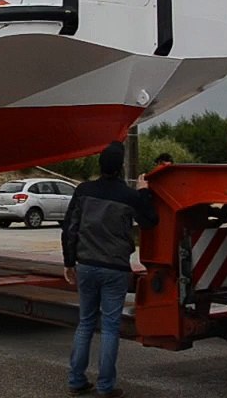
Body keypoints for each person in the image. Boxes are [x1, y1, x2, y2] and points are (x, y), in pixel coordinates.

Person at [61, 141, 158, 397]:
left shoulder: (84, 191)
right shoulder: (129, 196)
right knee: (110, 327)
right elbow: (150, 221)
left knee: (85, 323)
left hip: (86, 265)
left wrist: (69, 262)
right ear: (120, 168)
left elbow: (69, 227)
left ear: (100, 165)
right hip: (115, 268)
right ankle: (105, 386)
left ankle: (76, 380)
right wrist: (144, 192)